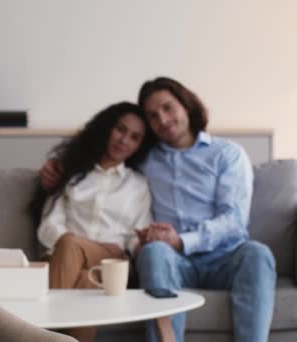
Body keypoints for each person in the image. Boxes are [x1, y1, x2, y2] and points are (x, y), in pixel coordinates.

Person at [40, 77, 276, 342]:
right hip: (172, 260)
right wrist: (58, 165)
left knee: (257, 253)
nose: (162, 120)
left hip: (224, 256)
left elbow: (234, 221)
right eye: (153, 116)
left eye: (168, 108)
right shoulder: (145, 159)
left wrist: (181, 240)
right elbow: (99, 162)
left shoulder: (227, 154)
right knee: (154, 253)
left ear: (186, 105)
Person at [30, 102, 155, 342]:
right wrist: (76, 244)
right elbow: (49, 225)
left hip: (109, 260)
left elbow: (134, 237)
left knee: (70, 245)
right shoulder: (72, 173)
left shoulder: (137, 185)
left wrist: (134, 246)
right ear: (108, 128)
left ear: (140, 145)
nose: (124, 140)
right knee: (85, 279)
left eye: (135, 137)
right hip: (64, 258)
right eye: (121, 129)